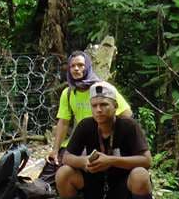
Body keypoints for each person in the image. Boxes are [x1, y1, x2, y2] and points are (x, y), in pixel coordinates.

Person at [55, 81, 152, 199]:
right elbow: (67, 157)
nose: (98, 110)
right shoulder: (85, 125)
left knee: (141, 175)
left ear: (115, 106)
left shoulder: (129, 126)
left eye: (104, 105)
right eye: (94, 106)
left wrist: (112, 161)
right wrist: (84, 162)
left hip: (123, 190)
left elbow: (146, 160)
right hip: (95, 189)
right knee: (63, 173)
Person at [43, 51, 131, 183]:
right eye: (72, 66)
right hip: (79, 141)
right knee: (52, 169)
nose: (76, 69)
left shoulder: (103, 89)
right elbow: (63, 122)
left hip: (104, 141)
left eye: (80, 65)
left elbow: (126, 114)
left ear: (88, 67)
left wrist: (115, 139)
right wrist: (55, 150)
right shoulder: (68, 93)